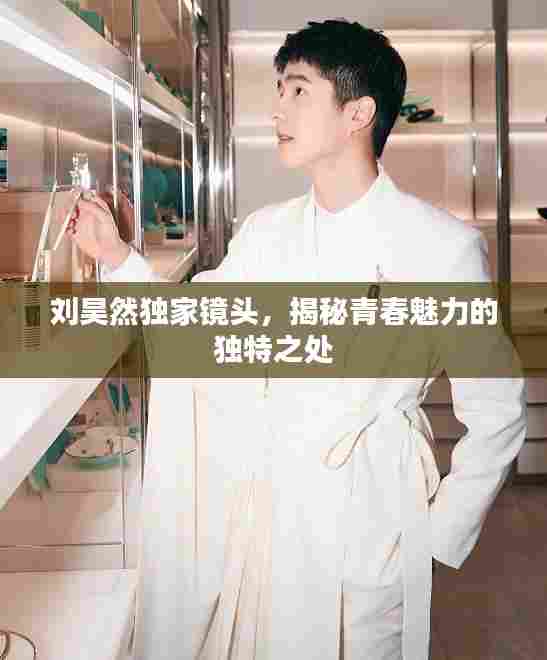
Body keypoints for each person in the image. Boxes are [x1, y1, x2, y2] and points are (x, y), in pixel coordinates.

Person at [69, 20, 526, 660]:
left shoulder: (441, 248)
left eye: (299, 90)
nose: (277, 108)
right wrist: (118, 258)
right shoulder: (266, 234)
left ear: (358, 113)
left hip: (369, 521)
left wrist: (436, 533)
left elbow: (498, 408)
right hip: (271, 513)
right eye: (278, 89)